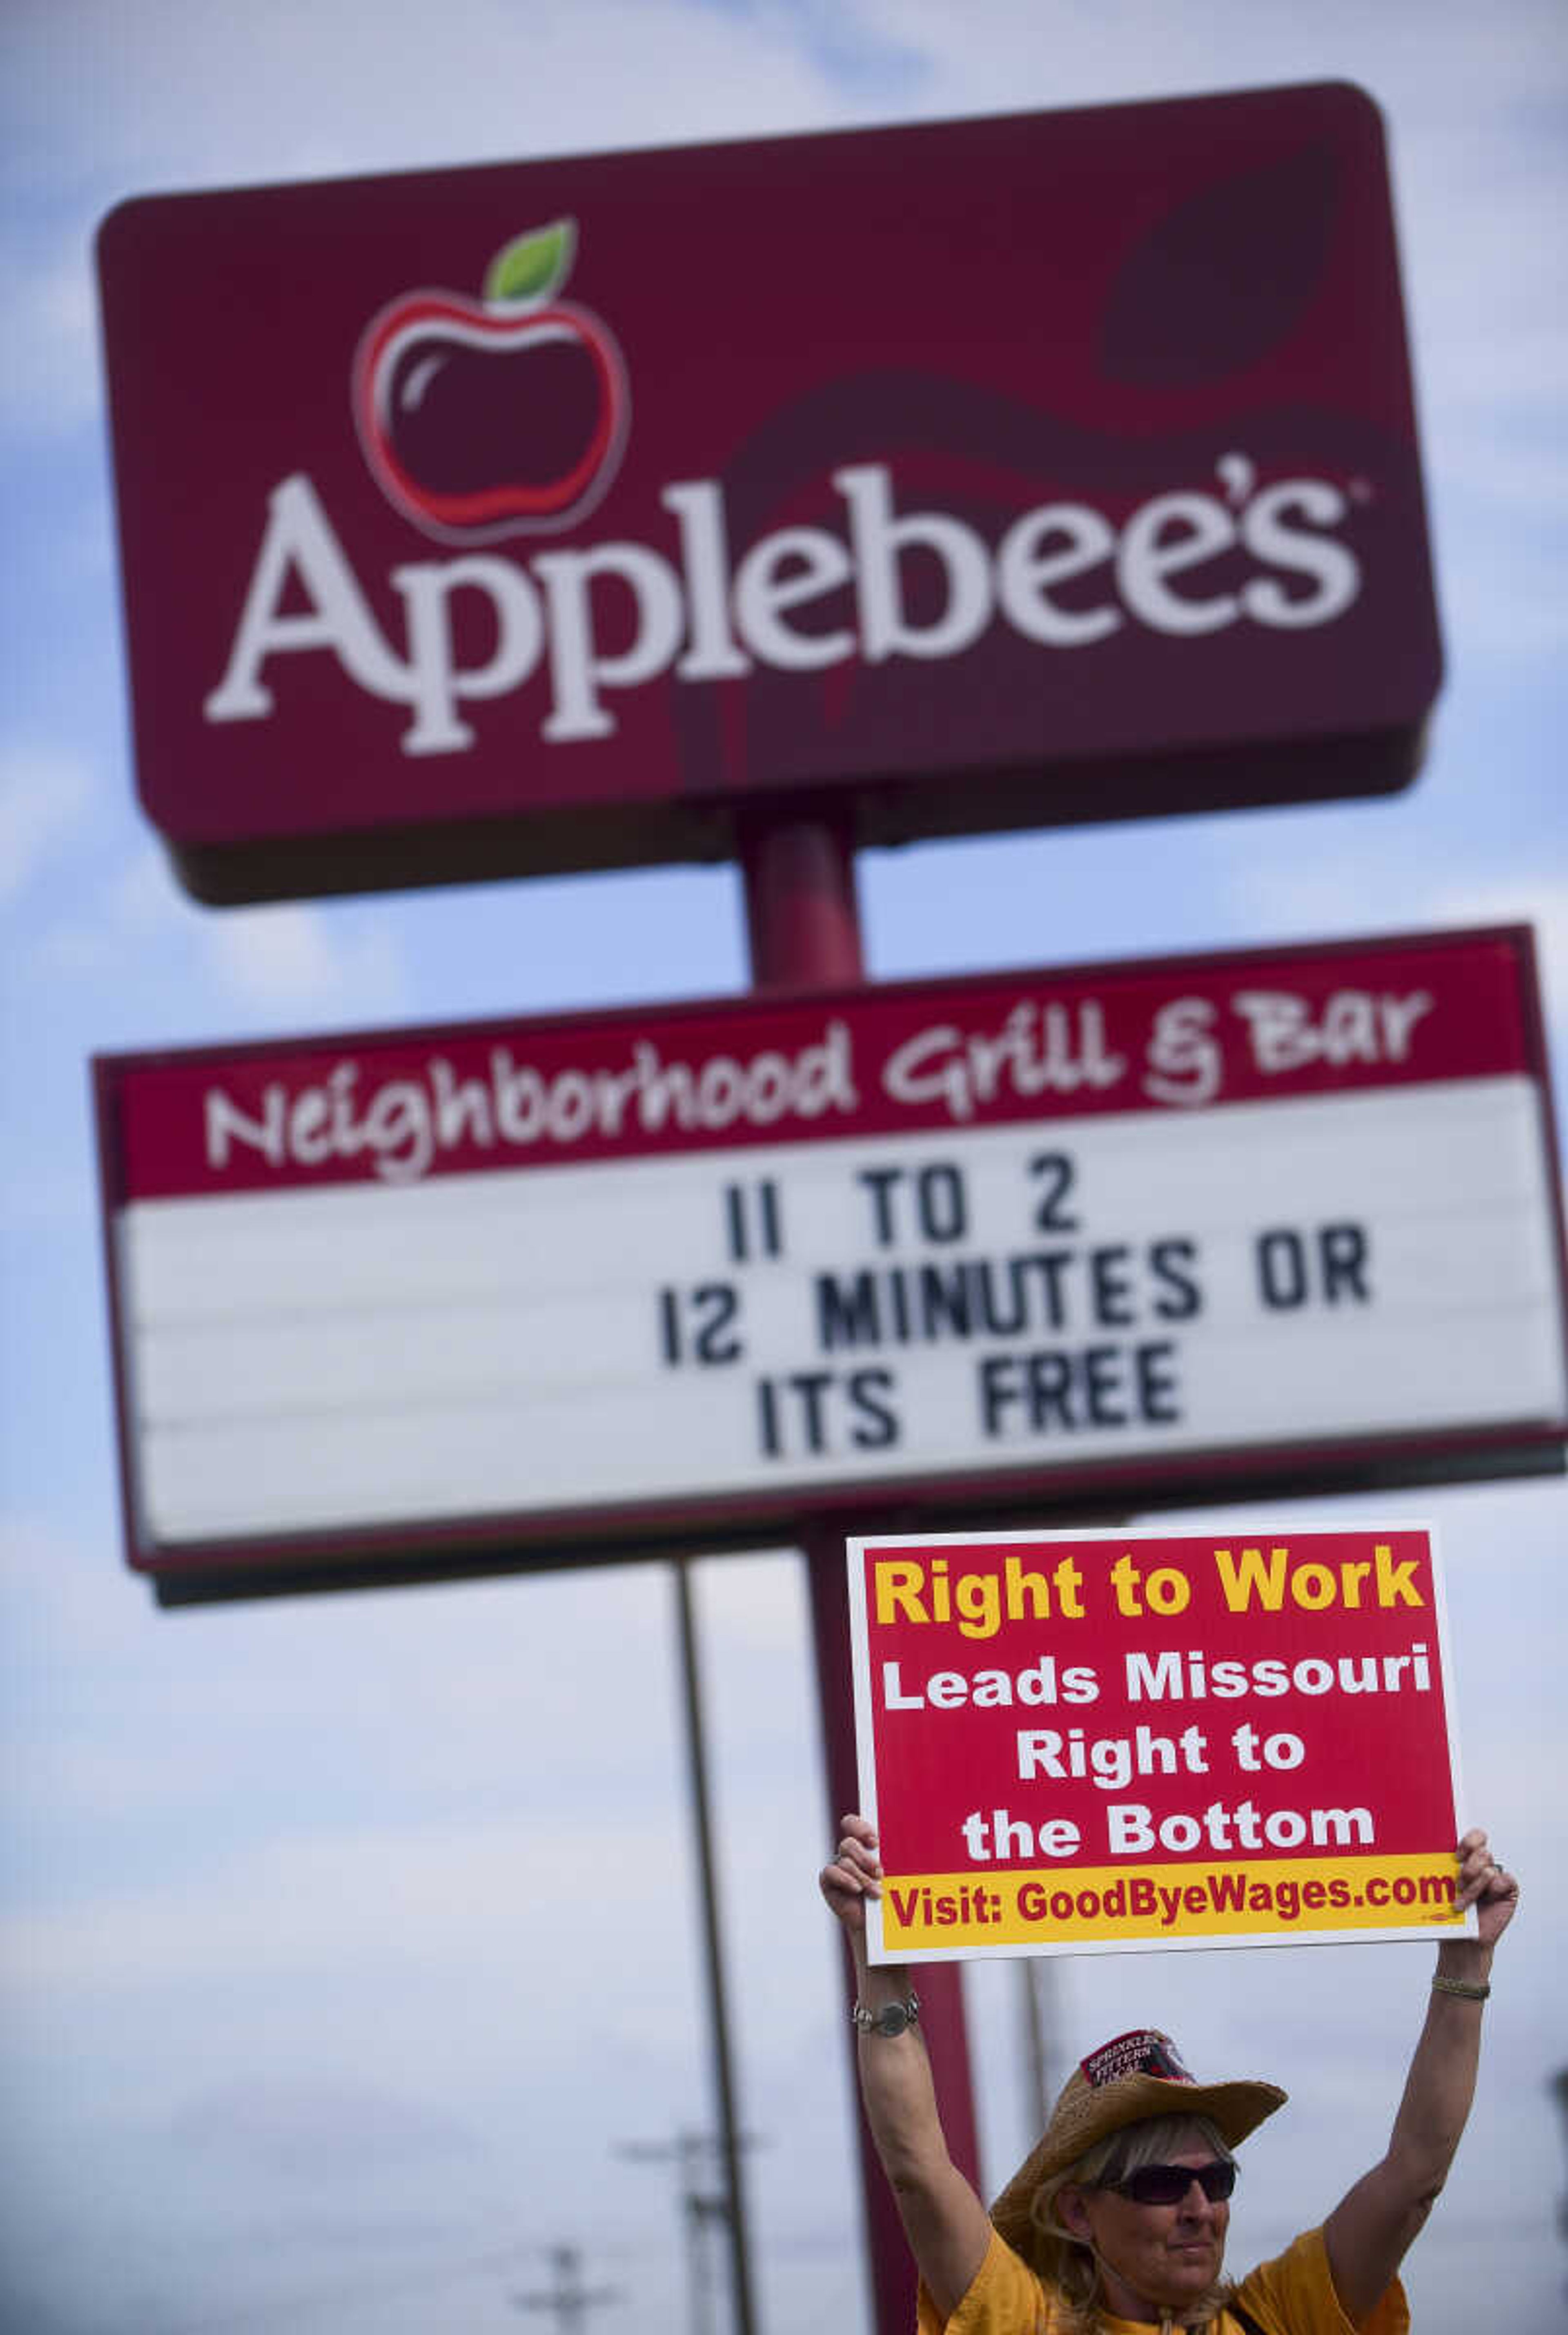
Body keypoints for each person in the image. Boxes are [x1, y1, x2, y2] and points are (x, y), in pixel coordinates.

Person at [819, 1814, 1517, 2334]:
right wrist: (876, 1961)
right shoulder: (1023, 2324)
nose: (1199, 2208)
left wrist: (1466, 1964)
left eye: (1216, 2180)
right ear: (1077, 2212)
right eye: (1158, 2183)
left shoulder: (1275, 2316)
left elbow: (1416, 2176)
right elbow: (917, 2169)